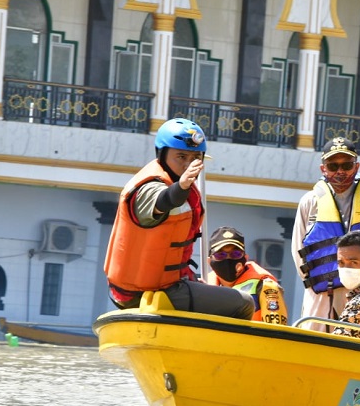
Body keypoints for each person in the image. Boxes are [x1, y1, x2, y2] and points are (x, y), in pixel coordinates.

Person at [104, 118, 254, 319]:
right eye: (181, 156)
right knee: (243, 303)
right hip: (149, 291)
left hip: (164, 285)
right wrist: (181, 187)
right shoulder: (149, 187)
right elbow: (163, 201)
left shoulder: (183, 186)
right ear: (162, 155)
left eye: (194, 158)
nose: (187, 164)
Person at [291, 137, 360, 332]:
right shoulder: (309, 202)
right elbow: (298, 251)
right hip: (321, 294)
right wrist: (320, 282)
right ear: (323, 169)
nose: (340, 172)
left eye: (347, 165)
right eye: (333, 166)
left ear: (356, 166)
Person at [206, 226, 288, 324]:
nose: (228, 260)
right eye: (220, 255)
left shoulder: (266, 286)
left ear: (245, 258)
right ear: (209, 261)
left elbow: (276, 329)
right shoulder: (204, 286)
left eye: (235, 254)